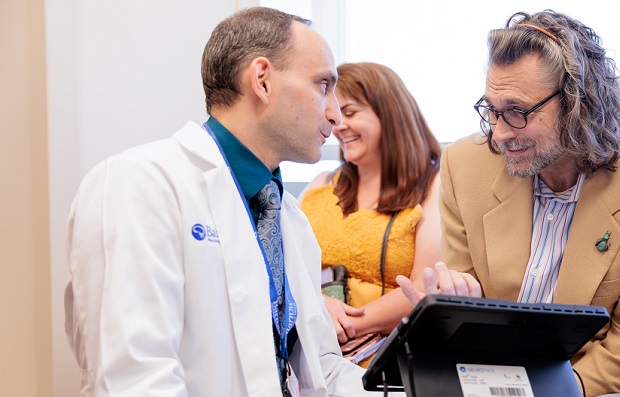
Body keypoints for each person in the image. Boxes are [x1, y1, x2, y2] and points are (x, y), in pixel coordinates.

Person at [64, 7, 389, 396]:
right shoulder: (140, 184)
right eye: (324, 85)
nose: (335, 114)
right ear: (262, 80)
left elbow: (319, 369)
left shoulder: (287, 216)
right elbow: (134, 380)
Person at [398, 10, 620, 397]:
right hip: (500, 382)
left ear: (579, 104)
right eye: (492, 110)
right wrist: (450, 309)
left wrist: (536, 390)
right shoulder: (465, 165)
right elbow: (468, 303)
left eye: (517, 112)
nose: (498, 134)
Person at [299, 62, 442, 346]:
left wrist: (335, 325)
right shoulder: (320, 184)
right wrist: (319, 307)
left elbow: (422, 288)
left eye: (350, 113)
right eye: (335, 114)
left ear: (391, 113)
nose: (338, 125)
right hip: (314, 348)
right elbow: (287, 271)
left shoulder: (435, 187)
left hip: (385, 355)